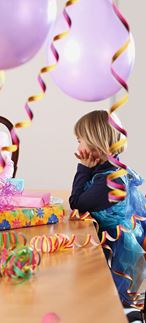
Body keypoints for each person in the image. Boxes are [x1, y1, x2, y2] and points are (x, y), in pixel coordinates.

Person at [69, 110, 145, 308]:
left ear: (96, 142)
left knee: (109, 301)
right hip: (102, 236)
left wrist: (82, 168)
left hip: (113, 245)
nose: (78, 147)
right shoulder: (106, 169)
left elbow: (77, 204)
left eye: (80, 140)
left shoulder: (111, 181)